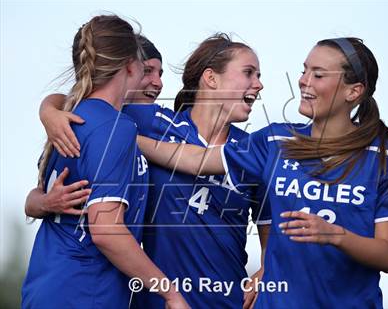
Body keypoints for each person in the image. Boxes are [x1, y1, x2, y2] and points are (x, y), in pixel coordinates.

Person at [136, 37, 388, 308]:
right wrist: (126, 136)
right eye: (304, 70)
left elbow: (387, 255)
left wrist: (335, 235)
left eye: (318, 74)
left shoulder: (385, 156)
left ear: (353, 91)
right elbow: (196, 158)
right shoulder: (275, 141)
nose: (303, 80)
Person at [27, 33, 270, 308]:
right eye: (249, 73)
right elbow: (86, 102)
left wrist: (266, 270)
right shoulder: (151, 120)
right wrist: (49, 111)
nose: (259, 84)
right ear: (211, 78)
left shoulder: (251, 150)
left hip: (228, 301)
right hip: (159, 301)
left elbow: (268, 231)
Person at [22, 15, 188, 308]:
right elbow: (106, 233)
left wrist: (48, 107)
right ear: (129, 65)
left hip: (47, 284)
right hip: (84, 289)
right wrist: (170, 293)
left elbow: (38, 196)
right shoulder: (114, 126)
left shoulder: (71, 117)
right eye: (144, 65)